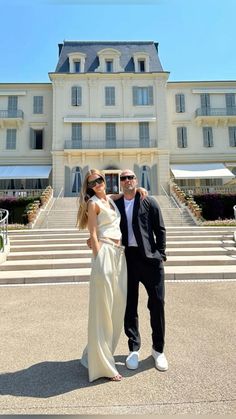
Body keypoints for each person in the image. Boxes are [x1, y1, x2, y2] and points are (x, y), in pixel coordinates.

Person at [114, 169, 168, 372]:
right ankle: (134, 348)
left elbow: (160, 229)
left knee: (157, 304)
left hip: (150, 261)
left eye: (130, 177)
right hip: (127, 260)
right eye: (123, 178)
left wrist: (161, 254)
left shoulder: (149, 200)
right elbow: (92, 197)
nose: (127, 180)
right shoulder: (116, 203)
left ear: (136, 180)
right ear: (120, 183)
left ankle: (158, 350)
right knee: (130, 306)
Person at [76, 169, 127, 382]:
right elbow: (93, 235)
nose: (97, 183)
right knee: (102, 309)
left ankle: (97, 353)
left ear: (104, 180)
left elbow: (123, 195)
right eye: (92, 182)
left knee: (117, 308)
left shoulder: (110, 200)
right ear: (89, 187)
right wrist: (98, 260)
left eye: (99, 180)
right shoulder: (93, 203)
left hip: (119, 254)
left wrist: (140, 189)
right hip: (105, 254)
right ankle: (104, 366)